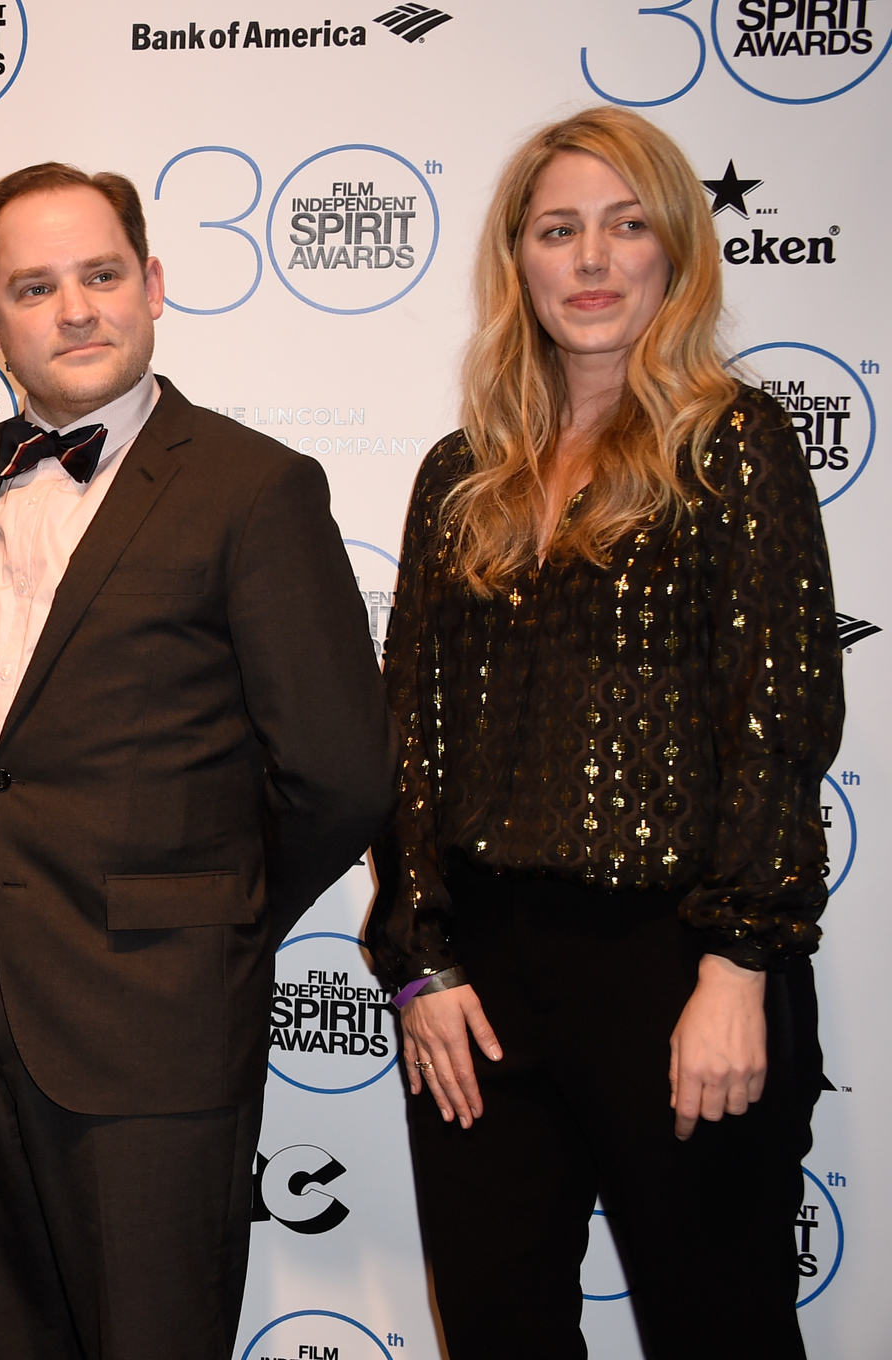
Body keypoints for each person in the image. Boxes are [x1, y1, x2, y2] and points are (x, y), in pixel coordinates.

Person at [369, 106, 841, 1359]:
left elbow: (778, 718)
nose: (589, 259)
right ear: (515, 259)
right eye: (557, 229)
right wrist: (419, 960)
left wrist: (737, 965)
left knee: (718, 1327)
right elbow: (404, 740)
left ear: (673, 253)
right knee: (495, 1329)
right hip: (476, 983)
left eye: (624, 227)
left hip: (671, 962)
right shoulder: (456, 473)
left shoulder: (731, 446)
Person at [0, 163, 395, 1360]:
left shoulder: (253, 486)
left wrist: (212, 917)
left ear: (153, 284)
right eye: (34, 286)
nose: (74, 308)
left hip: (153, 1020)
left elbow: (338, 772)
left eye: (101, 274)